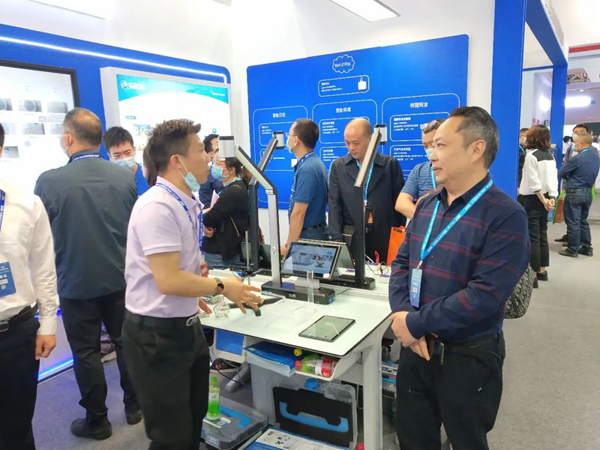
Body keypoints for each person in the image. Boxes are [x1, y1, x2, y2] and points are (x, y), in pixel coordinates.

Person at [388, 106, 529, 450]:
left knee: (467, 441)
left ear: (476, 149)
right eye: (430, 147)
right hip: (416, 348)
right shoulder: (426, 205)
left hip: (467, 357)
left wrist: (414, 323)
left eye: (440, 146)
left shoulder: (506, 216)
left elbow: (484, 295)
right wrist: (403, 315)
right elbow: (402, 264)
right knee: (413, 438)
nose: (431, 155)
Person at [122, 119, 262, 450]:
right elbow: (168, 279)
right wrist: (222, 287)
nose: (209, 157)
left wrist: (195, 290)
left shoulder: (187, 201)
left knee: (193, 421)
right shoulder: (157, 206)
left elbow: (179, 270)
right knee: (171, 436)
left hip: (186, 327)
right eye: (201, 150)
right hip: (156, 337)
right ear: (177, 161)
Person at [34, 108, 141, 440]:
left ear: (68, 138)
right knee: (126, 343)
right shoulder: (124, 178)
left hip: (75, 282)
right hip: (121, 279)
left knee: (86, 352)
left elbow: (41, 236)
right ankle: (135, 406)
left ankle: (97, 421)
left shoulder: (48, 181)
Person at [0, 124, 58, 450]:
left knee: (17, 428)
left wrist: (48, 323)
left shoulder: (26, 204)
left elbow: (43, 268)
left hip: (16, 335)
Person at [329, 118, 406, 263]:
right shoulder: (339, 167)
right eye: (347, 143)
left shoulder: (389, 165)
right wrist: (337, 241)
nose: (351, 147)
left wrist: (397, 235)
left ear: (370, 139)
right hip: (352, 237)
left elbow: (399, 204)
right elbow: (334, 206)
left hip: (384, 237)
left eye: (356, 143)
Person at [282, 119, 329, 255]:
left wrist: (289, 246)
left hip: (309, 239)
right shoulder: (311, 163)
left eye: (289, 135)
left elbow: (299, 213)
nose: (287, 139)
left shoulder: (308, 168)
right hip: (311, 235)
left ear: (296, 140)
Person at [519, 125, 558, 286]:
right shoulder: (550, 157)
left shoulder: (531, 156)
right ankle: (542, 270)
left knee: (532, 237)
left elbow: (534, 183)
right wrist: (551, 198)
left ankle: (533, 275)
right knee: (542, 234)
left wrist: (542, 199)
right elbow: (553, 179)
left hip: (533, 199)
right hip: (546, 198)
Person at [202, 148, 249, 269]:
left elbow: (211, 218)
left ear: (231, 169)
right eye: (213, 162)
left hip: (220, 252)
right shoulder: (227, 188)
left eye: (218, 163)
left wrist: (202, 216)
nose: (214, 166)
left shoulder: (233, 191)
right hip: (221, 248)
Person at [558, 131, 600, 258]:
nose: (574, 145)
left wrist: (569, 176)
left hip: (574, 193)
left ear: (581, 143)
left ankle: (572, 249)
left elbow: (562, 172)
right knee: (583, 221)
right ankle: (587, 247)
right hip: (587, 192)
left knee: (573, 222)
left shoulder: (577, 158)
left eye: (575, 143)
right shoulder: (596, 156)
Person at [395, 119, 444, 219]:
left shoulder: (458, 169)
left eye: (433, 145)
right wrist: (425, 220)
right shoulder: (420, 170)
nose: (429, 150)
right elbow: (401, 203)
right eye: (425, 146)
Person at [104, 126, 150, 196]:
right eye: (117, 155)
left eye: (127, 153)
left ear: (134, 150)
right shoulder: (107, 183)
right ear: (110, 156)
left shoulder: (148, 178)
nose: (124, 158)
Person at [199, 134, 223, 206]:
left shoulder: (234, 169)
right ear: (211, 153)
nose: (223, 146)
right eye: (218, 144)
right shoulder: (207, 176)